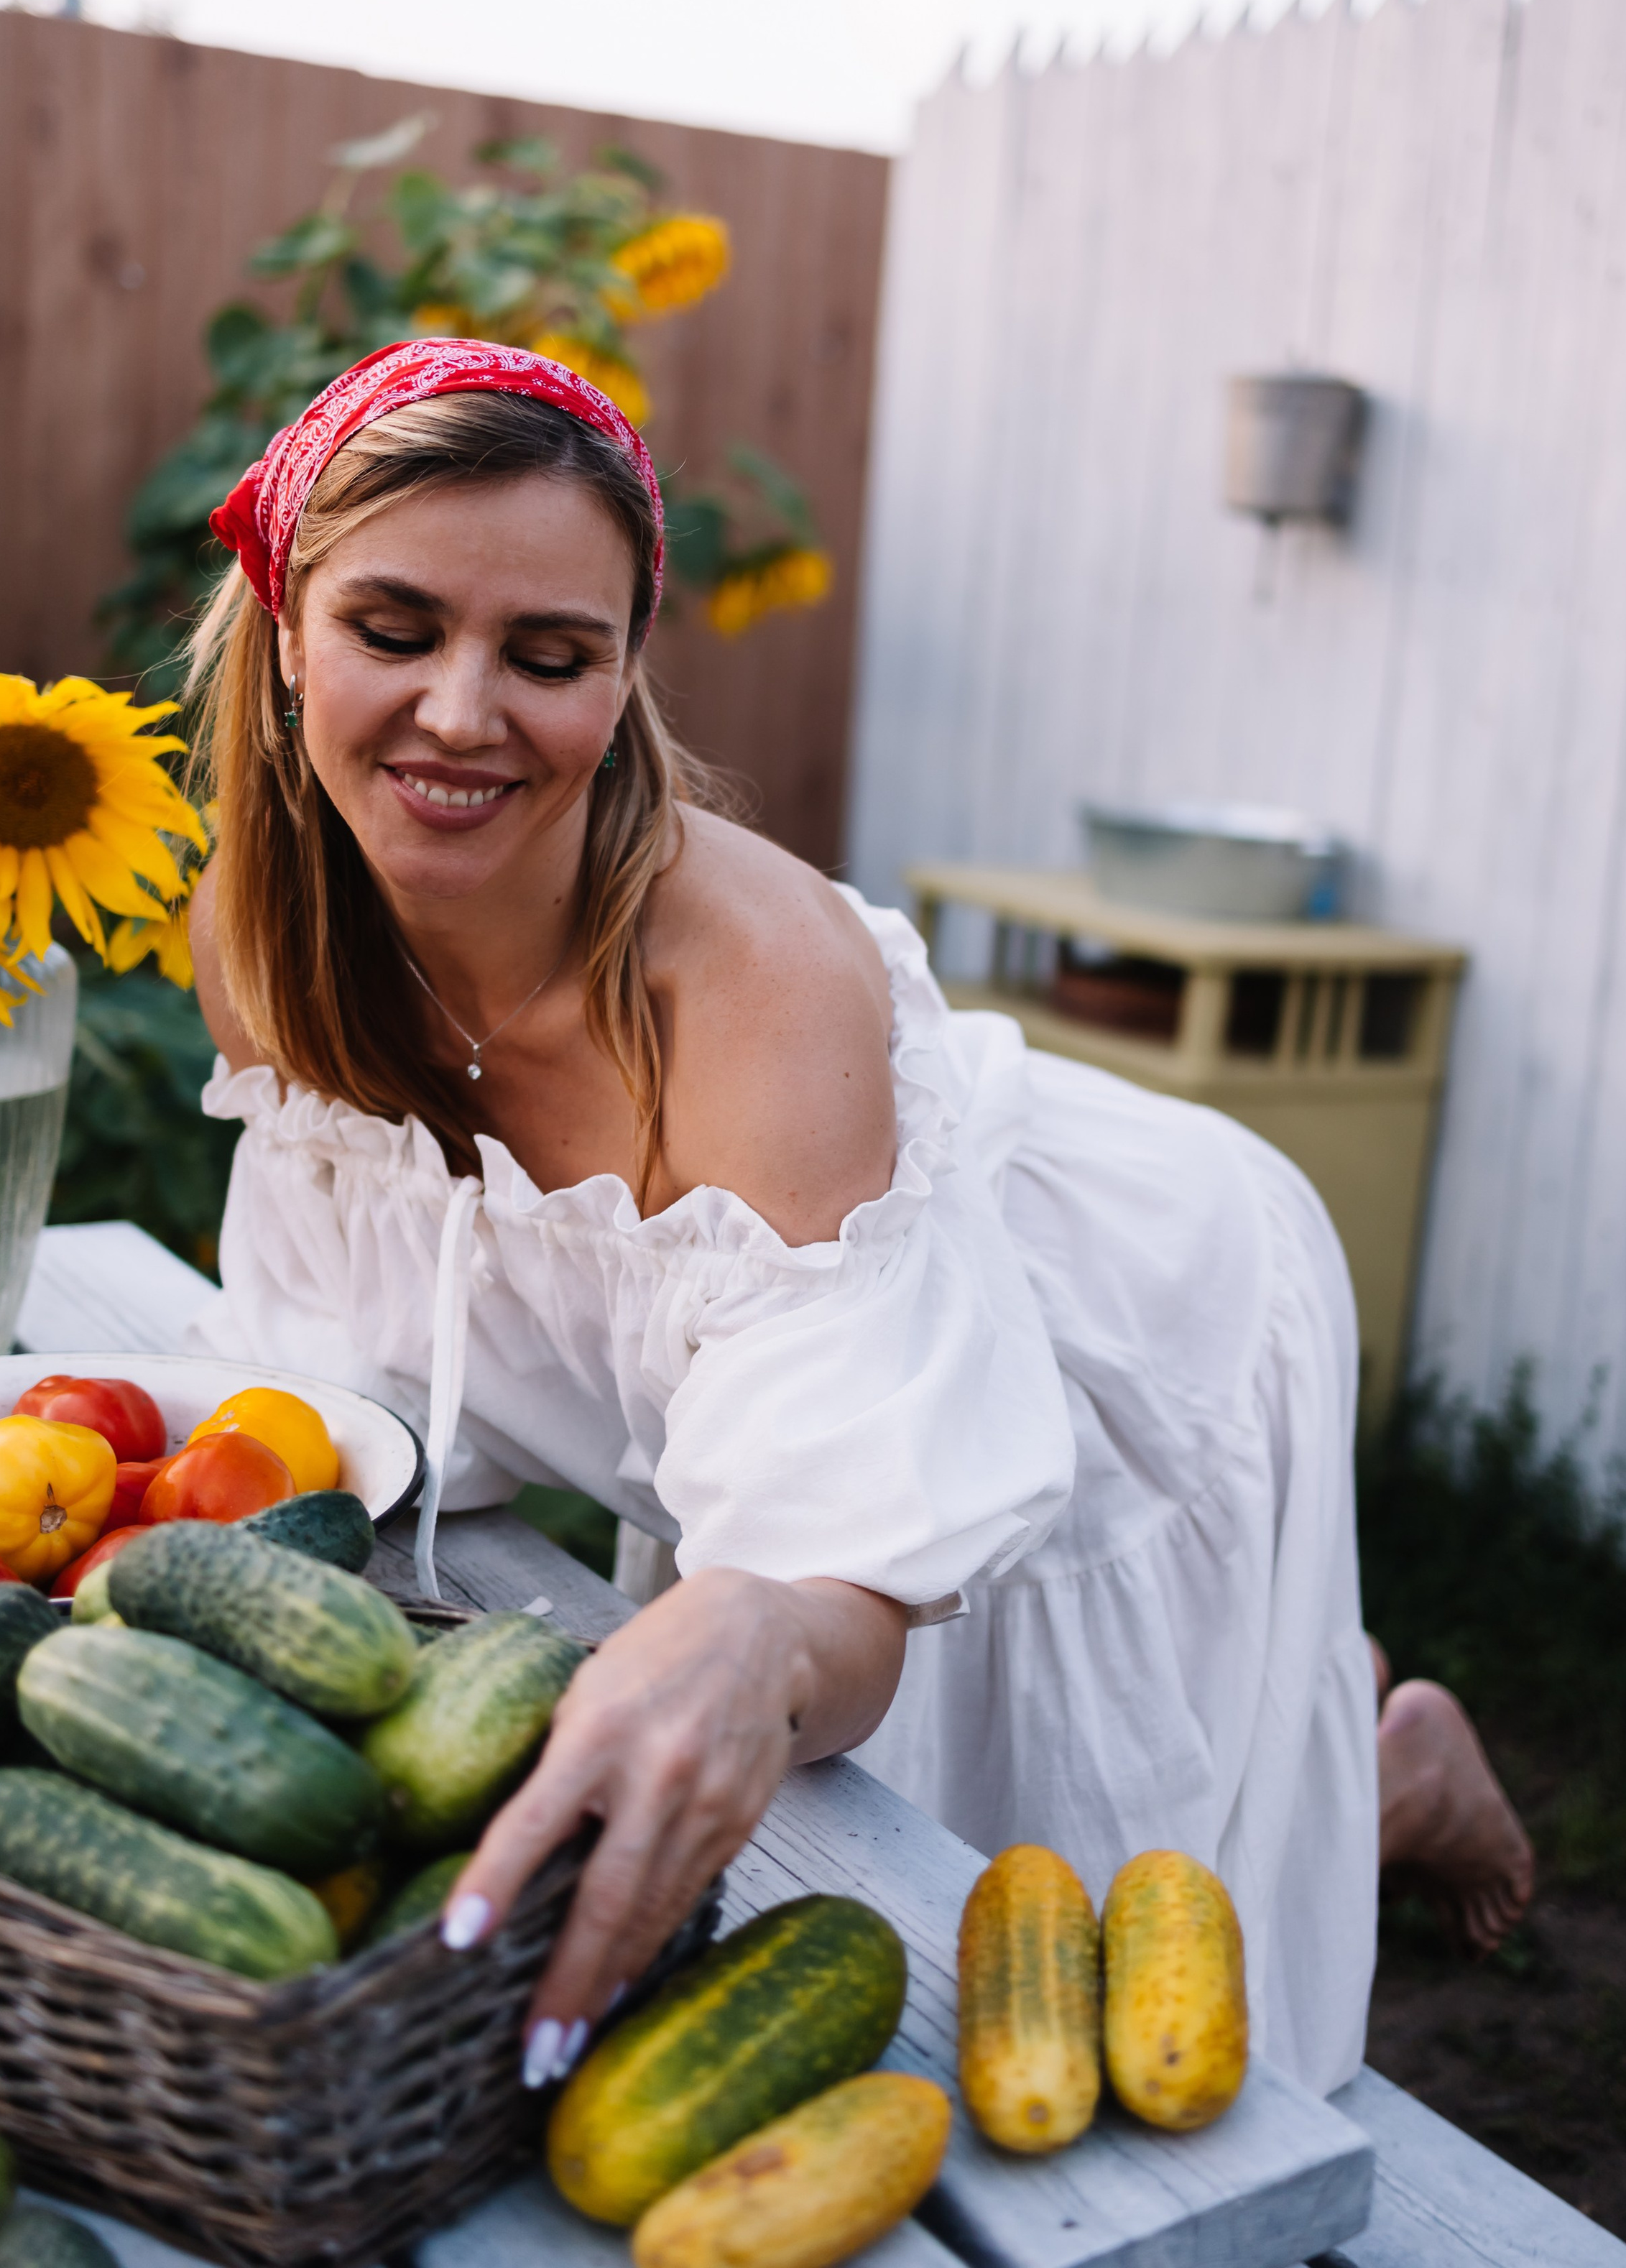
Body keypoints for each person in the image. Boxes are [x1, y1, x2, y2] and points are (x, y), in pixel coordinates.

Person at [184, 338, 1532, 2101]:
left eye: (549, 655)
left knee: (1067, 1959)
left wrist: (756, 1623)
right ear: (287, 631)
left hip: (1120, 1313)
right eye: (393, 628)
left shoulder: (747, 977)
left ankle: (1370, 1781)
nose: (461, 711)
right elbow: (351, 1407)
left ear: (622, 678)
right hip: (875, 1340)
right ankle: (1352, 1730)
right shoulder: (264, 935)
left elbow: (839, 1580)